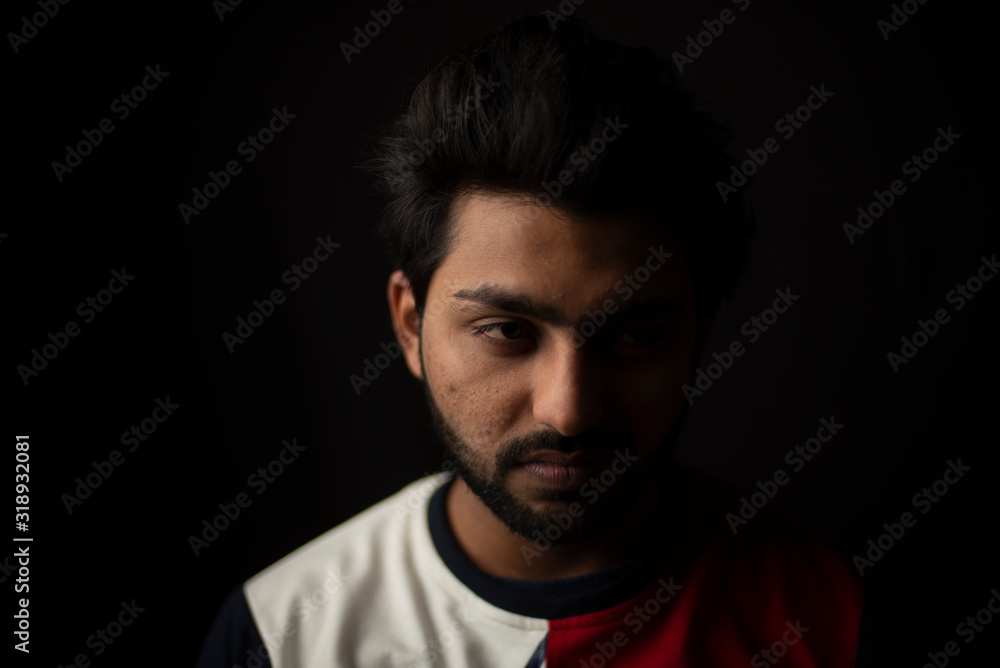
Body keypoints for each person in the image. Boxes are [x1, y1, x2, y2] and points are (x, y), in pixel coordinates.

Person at [197, 14, 864, 667]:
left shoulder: (838, 621)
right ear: (410, 324)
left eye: (636, 336)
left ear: (700, 336)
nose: (568, 410)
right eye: (507, 332)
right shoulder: (282, 635)